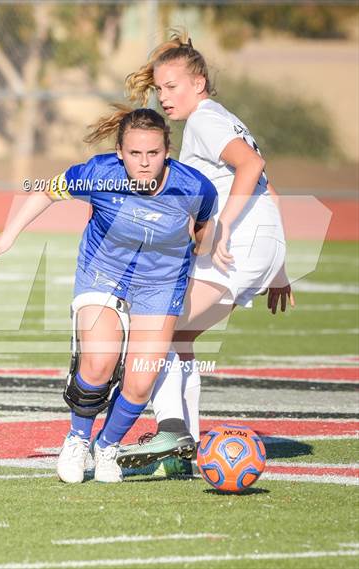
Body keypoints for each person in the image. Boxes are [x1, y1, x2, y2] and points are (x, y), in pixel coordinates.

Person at [0, 107, 218, 483]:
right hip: (102, 274)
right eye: (135, 154)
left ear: (167, 151)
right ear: (120, 152)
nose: (144, 163)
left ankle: (106, 446)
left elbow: (205, 223)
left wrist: (206, 246)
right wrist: (8, 235)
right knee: (99, 362)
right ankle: (77, 440)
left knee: (141, 378)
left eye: (153, 154)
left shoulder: (195, 186)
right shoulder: (97, 173)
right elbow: (44, 192)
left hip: (161, 283)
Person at [118, 33, 294, 469]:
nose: (164, 96)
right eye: (159, 88)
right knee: (177, 336)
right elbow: (270, 191)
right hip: (261, 244)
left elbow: (251, 166)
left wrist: (225, 226)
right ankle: (183, 447)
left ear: (198, 83)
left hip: (239, 244)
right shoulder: (222, 118)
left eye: (172, 86)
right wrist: (279, 268)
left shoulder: (203, 120)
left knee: (151, 330)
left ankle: (171, 434)